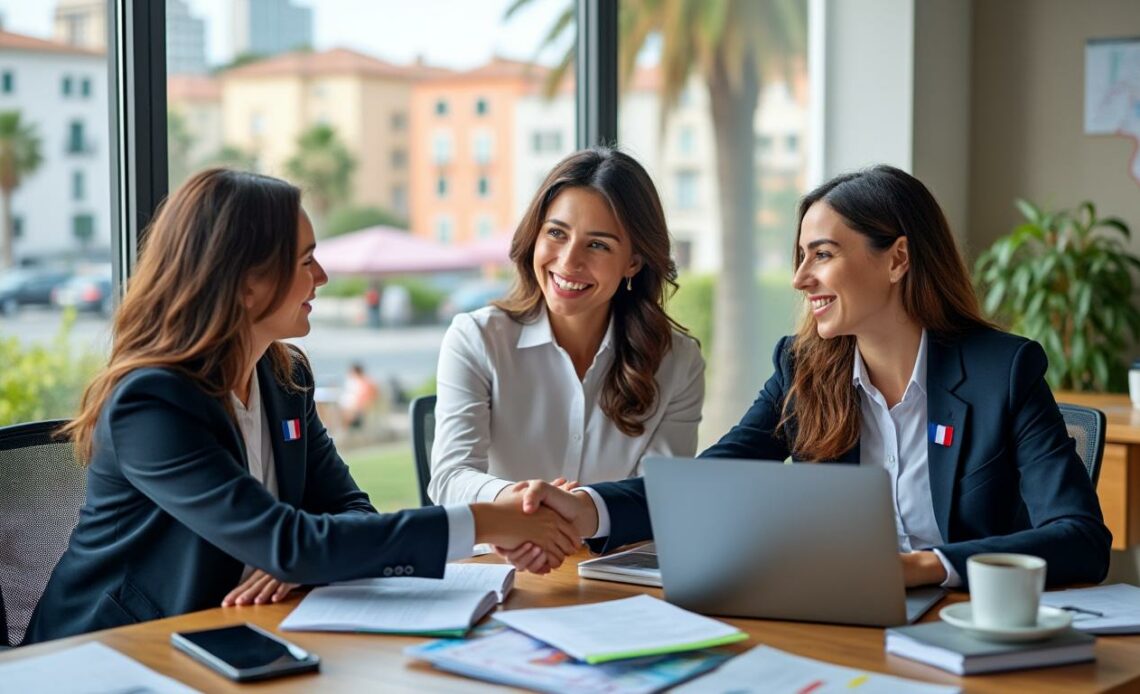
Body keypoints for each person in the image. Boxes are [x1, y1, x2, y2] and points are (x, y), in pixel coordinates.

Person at [24, 169, 579, 644]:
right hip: (110, 655)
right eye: (306, 260)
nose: (322, 277)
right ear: (245, 283)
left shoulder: (285, 378)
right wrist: (487, 518)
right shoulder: (150, 402)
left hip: (240, 634)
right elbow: (289, 540)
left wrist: (296, 562)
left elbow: (350, 510)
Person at [506, 164, 1112, 588]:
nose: (800, 279)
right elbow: (708, 481)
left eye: (822, 254)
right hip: (835, 618)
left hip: (960, 629)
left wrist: (927, 566)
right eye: (800, 257)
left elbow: (1080, 536)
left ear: (897, 258)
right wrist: (587, 508)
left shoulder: (1001, 370)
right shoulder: (803, 369)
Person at [428, 147, 705, 509]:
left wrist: (581, 511)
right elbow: (450, 479)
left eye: (597, 245)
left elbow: (661, 496)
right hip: (502, 559)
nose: (569, 260)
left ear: (633, 262)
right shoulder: (476, 339)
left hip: (606, 563)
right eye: (557, 233)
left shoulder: (677, 361)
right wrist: (525, 503)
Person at [339, 362, 380, 430]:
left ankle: (344, 430)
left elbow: (369, 395)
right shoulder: (353, 381)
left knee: (346, 414)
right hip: (348, 405)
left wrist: (359, 405)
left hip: (354, 406)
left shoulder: (365, 382)